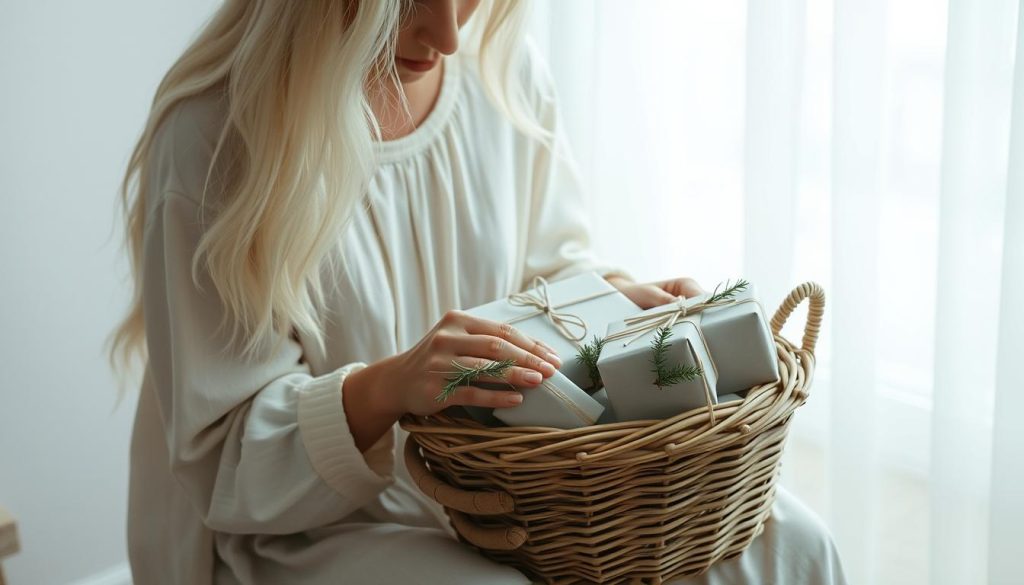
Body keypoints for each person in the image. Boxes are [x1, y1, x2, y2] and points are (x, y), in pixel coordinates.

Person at [108, 1, 849, 583]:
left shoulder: (504, 73)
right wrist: (393, 384)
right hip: (295, 521)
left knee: (797, 548)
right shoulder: (214, 140)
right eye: (402, 0)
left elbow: (549, 270)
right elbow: (226, 460)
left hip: (503, 477)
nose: (448, 33)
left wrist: (613, 305)